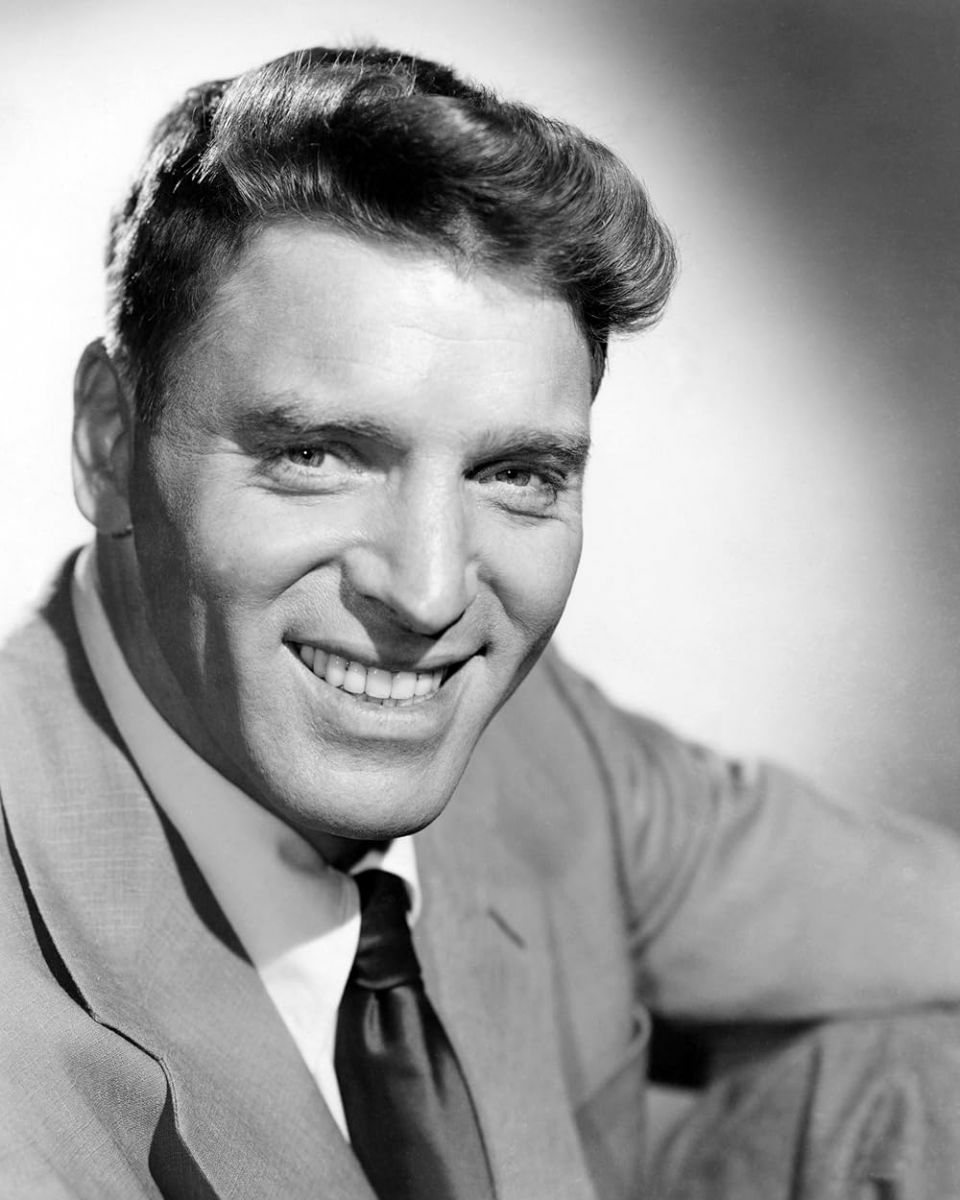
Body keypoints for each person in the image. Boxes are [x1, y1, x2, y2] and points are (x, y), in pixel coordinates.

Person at [1, 44, 959, 1200]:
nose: (429, 597)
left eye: (515, 475)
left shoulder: (540, 746)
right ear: (110, 442)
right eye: (318, 454)